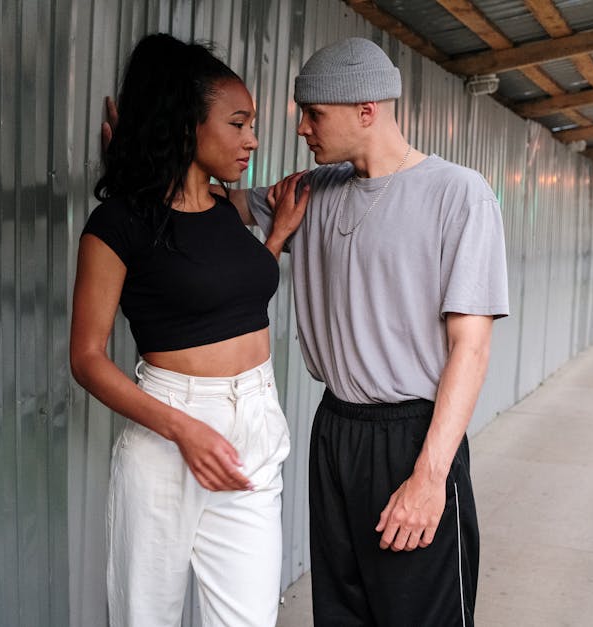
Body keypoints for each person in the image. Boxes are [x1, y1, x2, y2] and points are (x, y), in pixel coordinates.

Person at [229, 37, 510, 626]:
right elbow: (212, 206)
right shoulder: (309, 193)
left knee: (419, 614)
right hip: (335, 431)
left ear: (366, 110)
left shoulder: (457, 194)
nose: (302, 128)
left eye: (314, 114)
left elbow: (471, 347)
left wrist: (430, 479)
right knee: (341, 611)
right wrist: (144, 158)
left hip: (413, 434)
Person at [69, 33, 306, 627]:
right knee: (146, 617)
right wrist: (184, 430)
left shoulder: (229, 210)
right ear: (185, 125)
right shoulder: (119, 224)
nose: (252, 139)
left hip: (253, 425)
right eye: (237, 123)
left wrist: (273, 243)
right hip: (168, 434)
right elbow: (87, 357)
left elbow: (226, 297)